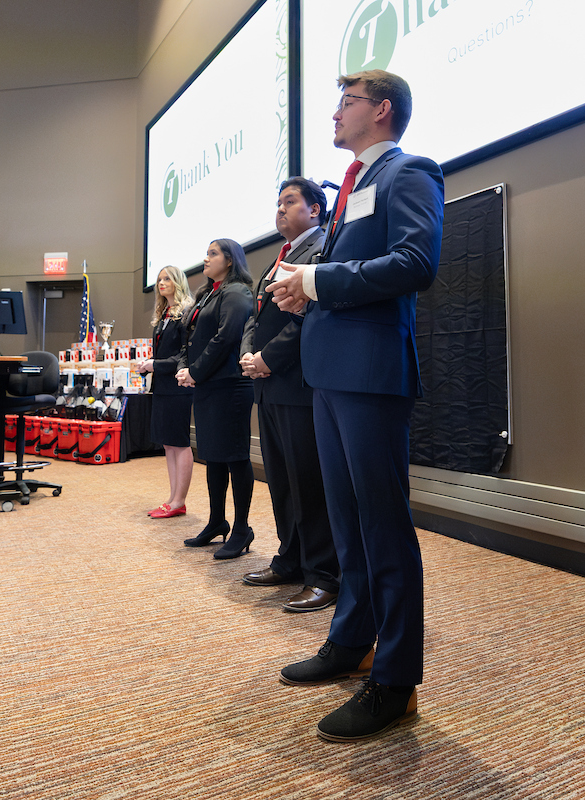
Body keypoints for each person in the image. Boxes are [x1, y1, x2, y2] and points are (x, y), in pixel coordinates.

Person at [268, 70, 445, 741]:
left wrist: (315, 279)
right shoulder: (349, 190)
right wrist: (306, 293)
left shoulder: (409, 172)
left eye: (346, 103)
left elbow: (415, 263)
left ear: (382, 110)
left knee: (383, 526)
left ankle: (395, 682)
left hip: (371, 374)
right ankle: (352, 643)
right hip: (330, 373)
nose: (334, 114)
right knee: (347, 522)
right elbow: (346, 279)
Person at [238, 177, 339, 613]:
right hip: (269, 385)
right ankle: (290, 559)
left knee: (308, 482)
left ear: (315, 209)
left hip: (297, 384)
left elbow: (307, 320)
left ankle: (324, 575)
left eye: (290, 201)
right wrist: (248, 355)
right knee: (281, 480)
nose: (280, 209)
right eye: (278, 202)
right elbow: (256, 317)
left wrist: (267, 359)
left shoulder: (321, 253)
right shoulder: (277, 258)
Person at [175, 239, 255, 559]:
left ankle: (242, 528)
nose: (205, 259)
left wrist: (195, 371)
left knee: (235, 457)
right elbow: (190, 337)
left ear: (230, 261)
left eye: (212, 254)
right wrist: (185, 368)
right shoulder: (207, 293)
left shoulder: (237, 292)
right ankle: (216, 522)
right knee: (213, 456)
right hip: (209, 385)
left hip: (230, 386)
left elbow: (226, 339)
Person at [137, 266, 194, 519]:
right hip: (162, 386)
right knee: (168, 444)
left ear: (178, 282)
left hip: (179, 386)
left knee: (179, 443)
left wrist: (155, 365)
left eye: (167, 278)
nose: (161, 283)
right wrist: (148, 364)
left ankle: (179, 500)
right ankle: (172, 499)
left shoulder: (187, 313)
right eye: (159, 279)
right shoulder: (164, 315)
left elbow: (185, 354)